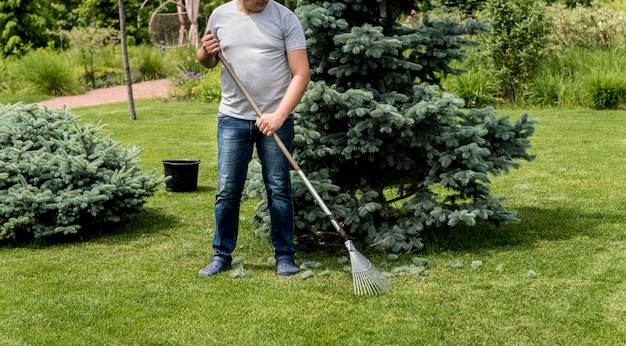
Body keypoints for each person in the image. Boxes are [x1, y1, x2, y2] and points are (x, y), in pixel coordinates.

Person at [195, 0, 310, 276]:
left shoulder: (285, 18)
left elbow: (301, 73)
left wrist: (279, 116)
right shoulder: (220, 15)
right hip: (232, 118)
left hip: (275, 119)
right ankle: (221, 254)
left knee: (279, 189)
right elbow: (208, 60)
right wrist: (204, 52)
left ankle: (284, 255)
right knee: (227, 190)